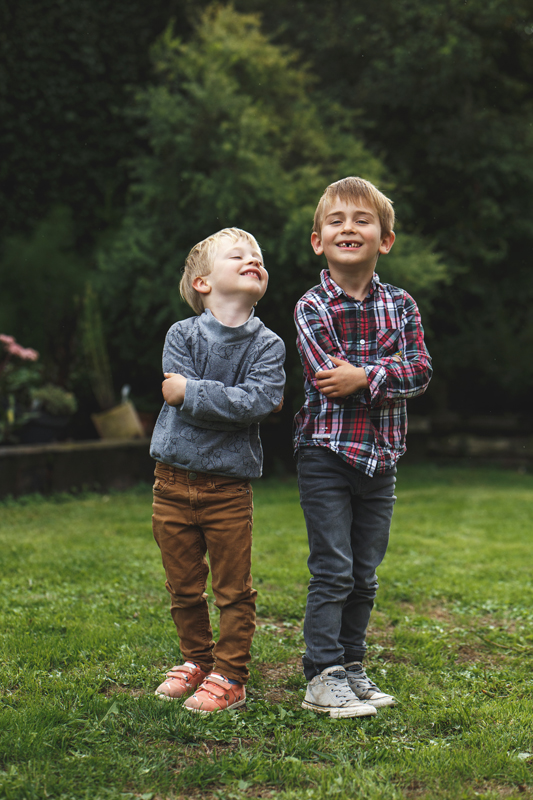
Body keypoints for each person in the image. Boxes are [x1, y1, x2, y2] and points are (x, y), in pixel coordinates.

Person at [294, 177, 432, 719]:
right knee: (333, 568)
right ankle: (321, 675)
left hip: (383, 459)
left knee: (365, 573)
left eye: (362, 220)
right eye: (336, 221)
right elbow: (329, 376)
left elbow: (420, 371)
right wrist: (379, 373)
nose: (348, 228)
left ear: (386, 239)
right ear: (317, 241)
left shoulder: (401, 305)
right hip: (325, 453)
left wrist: (364, 376)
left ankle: (352, 666)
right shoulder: (311, 306)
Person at [150, 227, 285, 713]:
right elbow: (181, 395)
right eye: (238, 255)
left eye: (258, 256)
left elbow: (261, 400)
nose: (253, 259)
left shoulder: (268, 346)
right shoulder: (181, 335)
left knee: (233, 589)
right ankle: (195, 660)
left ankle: (231, 675)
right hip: (171, 483)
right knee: (183, 585)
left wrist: (193, 392)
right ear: (203, 283)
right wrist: (208, 397)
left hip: (229, 488)